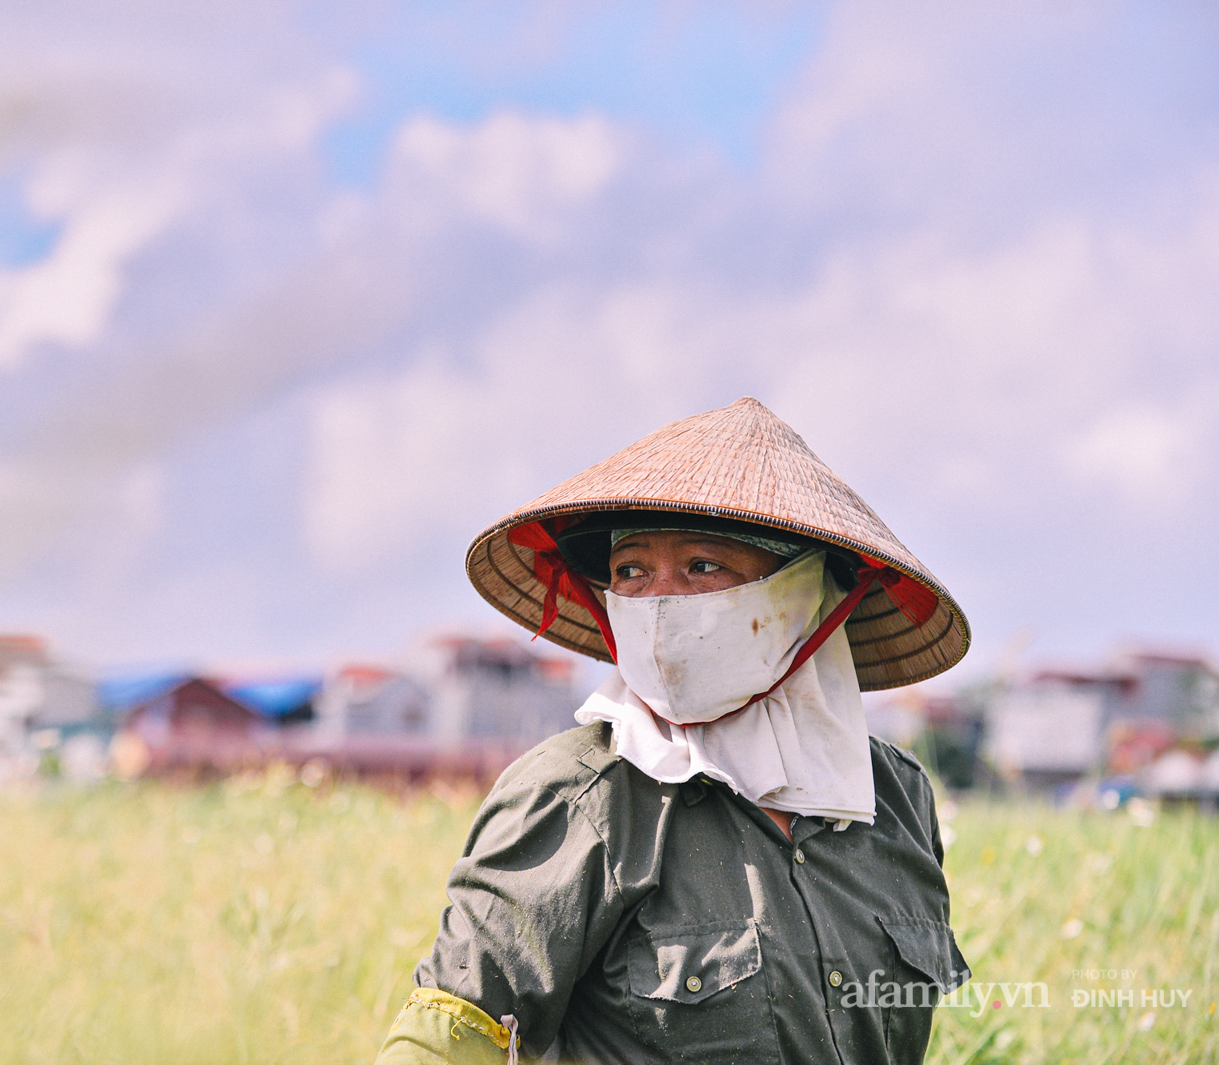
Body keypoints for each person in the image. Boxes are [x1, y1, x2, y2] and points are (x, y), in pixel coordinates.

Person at [374, 398, 971, 1065]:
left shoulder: (894, 797)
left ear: (803, 593)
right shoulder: (576, 796)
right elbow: (446, 1040)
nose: (657, 602)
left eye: (700, 566)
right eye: (630, 570)